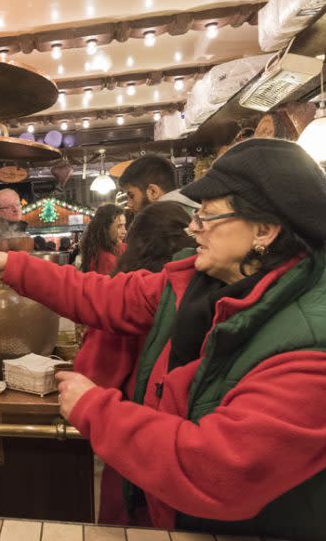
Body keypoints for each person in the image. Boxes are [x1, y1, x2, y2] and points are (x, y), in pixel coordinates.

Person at [0, 139, 326, 541]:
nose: (192, 228)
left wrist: (96, 409)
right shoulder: (204, 281)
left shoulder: (318, 346)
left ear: (264, 230)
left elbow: (219, 471)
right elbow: (104, 296)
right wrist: (12, 266)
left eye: (208, 216)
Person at [75, 201, 196, 525]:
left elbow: (94, 373)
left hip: (131, 441)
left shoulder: (127, 296)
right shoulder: (203, 292)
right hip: (185, 448)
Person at [118, 154, 199, 213]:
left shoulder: (165, 223)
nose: (129, 204)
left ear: (153, 192)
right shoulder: (193, 212)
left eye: (131, 196)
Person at [78, 204, 127, 274]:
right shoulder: (108, 260)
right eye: (119, 226)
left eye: (124, 225)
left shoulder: (95, 249)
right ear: (105, 228)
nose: (124, 231)